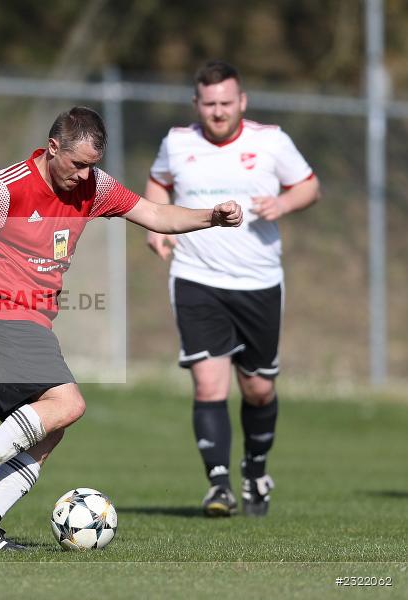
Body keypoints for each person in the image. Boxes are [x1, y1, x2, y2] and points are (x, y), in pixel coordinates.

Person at [0, 106, 243, 551]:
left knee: (50, 430)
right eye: (77, 164)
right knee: (68, 402)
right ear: (53, 148)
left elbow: (155, 214)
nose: (84, 175)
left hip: (30, 322)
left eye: (92, 165)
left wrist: (212, 216)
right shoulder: (8, 188)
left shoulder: (95, 187)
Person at [144, 60, 320, 517]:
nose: (218, 112)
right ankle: (218, 485)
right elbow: (157, 184)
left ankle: (255, 471)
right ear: (196, 104)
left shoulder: (271, 142)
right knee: (208, 383)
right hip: (197, 278)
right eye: (209, 103)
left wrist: (282, 201)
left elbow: (309, 186)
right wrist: (155, 226)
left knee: (259, 389)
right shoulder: (178, 143)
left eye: (226, 102)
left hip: (259, 281)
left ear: (241, 101)